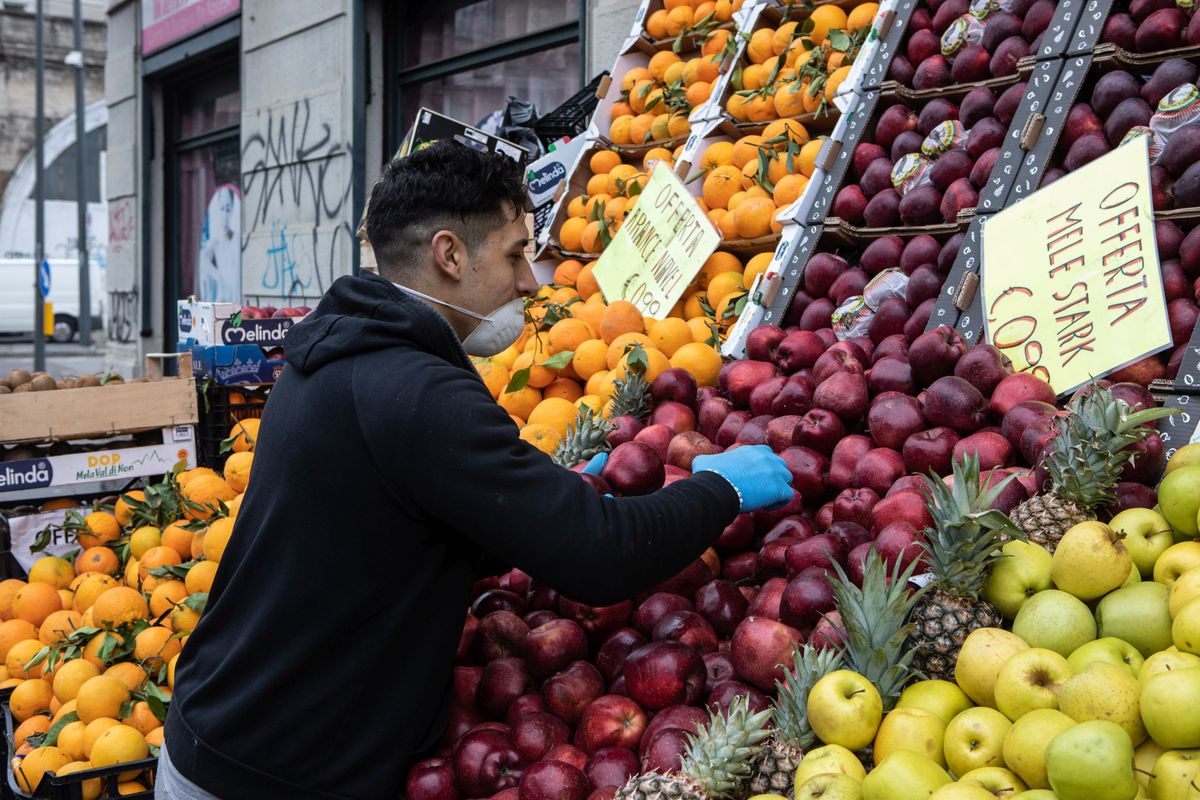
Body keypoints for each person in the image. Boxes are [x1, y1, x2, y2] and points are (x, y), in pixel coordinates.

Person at [159, 141, 794, 799]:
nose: (531, 281)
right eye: (517, 253)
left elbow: (407, 517)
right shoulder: (417, 390)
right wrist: (721, 486)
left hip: (230, 733)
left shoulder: (340, 352)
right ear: (450, 255)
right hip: (270, 774)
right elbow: (600, 556)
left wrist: (557, 494)